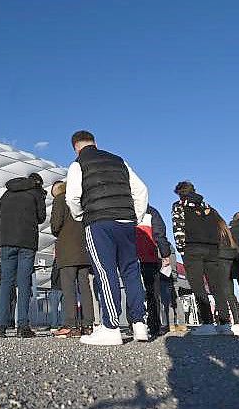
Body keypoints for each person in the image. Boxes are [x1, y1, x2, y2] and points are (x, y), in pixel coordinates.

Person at [65, 130, 149, 346]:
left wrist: (80, 215)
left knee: (105, 271)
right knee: (131, 270)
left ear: (75, 146)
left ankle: (111, 327)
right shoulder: (119, 160)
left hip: (98, 222)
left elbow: (73, 196)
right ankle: (139, 324)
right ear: (95, 142)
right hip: (126, 221)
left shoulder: (78, 164)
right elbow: (141, 190)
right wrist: (135, 216)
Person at [171, 182, 237, 336]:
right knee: (216, 286)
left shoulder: (179, 205)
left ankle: (207, 323)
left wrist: (181, 248)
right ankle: (225, 323)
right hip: (212, 248)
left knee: (198, 286)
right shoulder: (207, 206)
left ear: (180, 192)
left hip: (192, 248)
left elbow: (178, 227)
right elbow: (216, 227)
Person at [0, 172, 47, 339]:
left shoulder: (7, 193)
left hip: (7, 242)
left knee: (5, 284)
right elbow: (41, 217)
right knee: (24, 284)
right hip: (27, 242)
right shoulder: (36, 193)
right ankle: (22, 326)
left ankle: (0, 327)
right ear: (37, 182)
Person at [50, 180, 95, 338]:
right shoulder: (82, 200)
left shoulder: (60, 199)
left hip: (67, 250)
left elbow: (55, 225)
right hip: (83, 249)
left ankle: (71, 325)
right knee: (84, 287)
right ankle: (88, 324)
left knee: (68, 287)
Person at [136, 205, 173, 337]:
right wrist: (165, 254)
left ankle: (135, 324)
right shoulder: (152, 211)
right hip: (149, 256)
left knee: (132, 290)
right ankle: (154, 326)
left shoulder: (123, 208)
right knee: (152, 293)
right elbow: (160, 234)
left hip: (130, 257)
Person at [159, 248, 188, 333]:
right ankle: (182, 324)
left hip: (165, 275)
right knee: (176, 299)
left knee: (166, 300)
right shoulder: (171, 248)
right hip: (174, 276)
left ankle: (171, 324)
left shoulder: (161, 247)